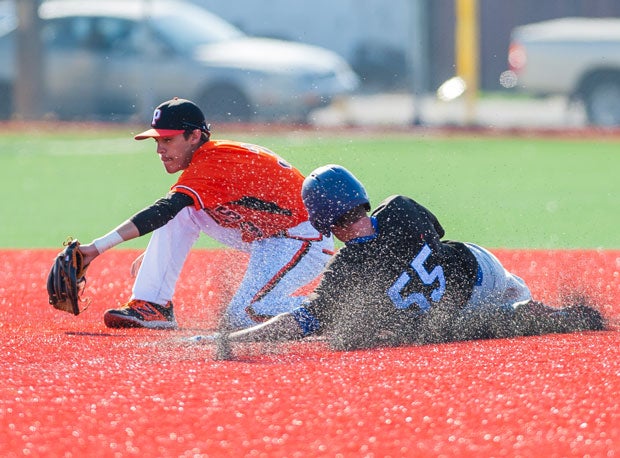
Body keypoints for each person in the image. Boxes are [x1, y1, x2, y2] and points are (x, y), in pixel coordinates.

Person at [212, 164, 605, 359]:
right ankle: (542, 309)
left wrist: (236, 340)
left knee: (365, 335)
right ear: (360, 196)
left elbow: (301, 322)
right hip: (483, 267)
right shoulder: (402, 208)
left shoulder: (345, 270)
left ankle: (522, 311)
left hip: (459, 315)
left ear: (324, 223)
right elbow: (438, 233)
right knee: (444, 315)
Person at [77, 97, 334, 330]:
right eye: (158, 141)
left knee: (245, 315)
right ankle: (153, 304)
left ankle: (339, 310)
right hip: (269, 235)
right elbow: (173, 210)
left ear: (194, 136)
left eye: (168, 140)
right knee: (181, 207)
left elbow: (164, 210)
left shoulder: (214, 162)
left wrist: (96, 248)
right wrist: (159, 253)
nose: (160, 150)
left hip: (303, 241)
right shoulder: (208, 159)